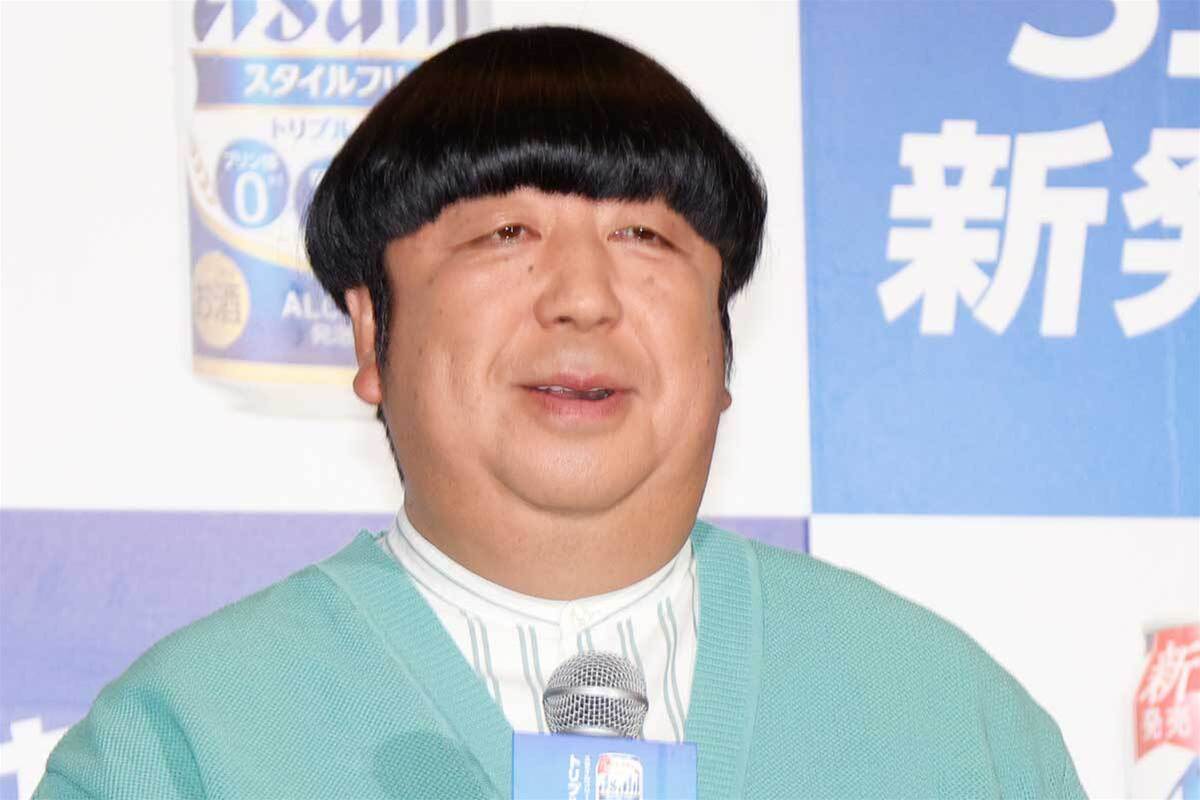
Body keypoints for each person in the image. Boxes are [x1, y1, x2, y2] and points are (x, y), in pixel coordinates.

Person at [36, 26, 1085, 799]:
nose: (583, 296)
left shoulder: (952, 719)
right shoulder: (185, 744)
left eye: (645, 237)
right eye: (505, 235)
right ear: (370, 333)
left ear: (722, 344)